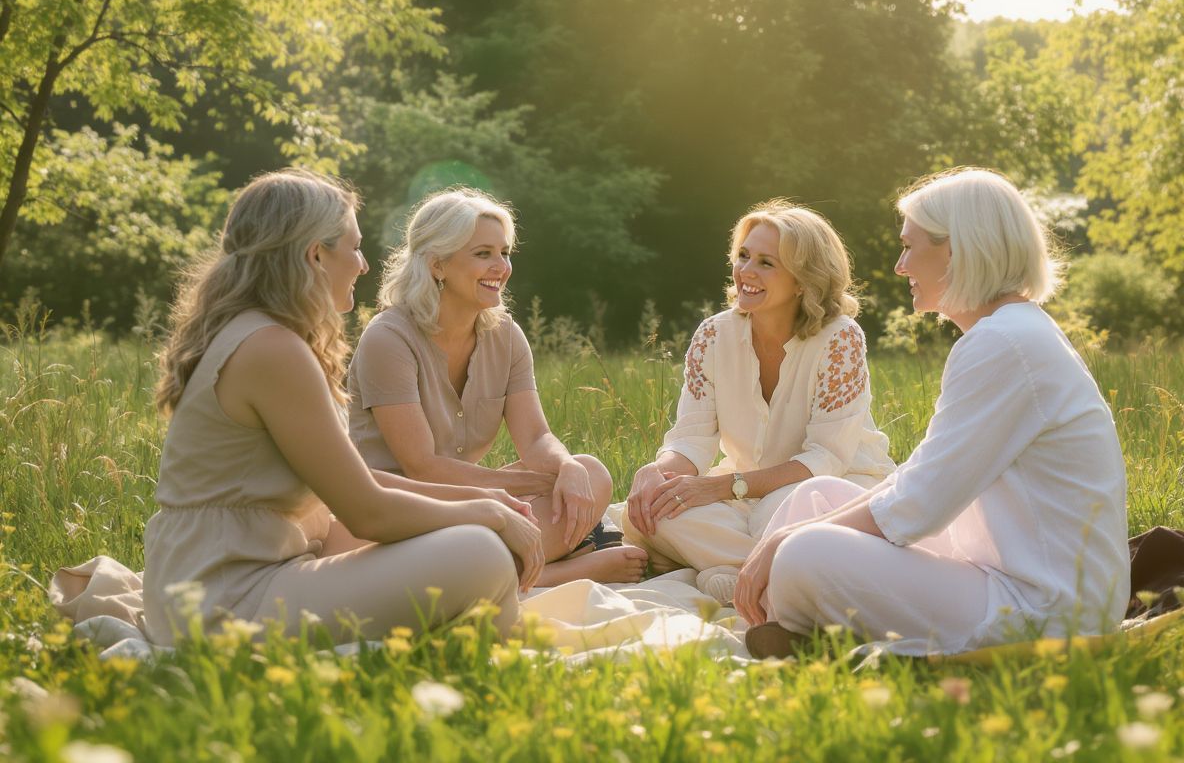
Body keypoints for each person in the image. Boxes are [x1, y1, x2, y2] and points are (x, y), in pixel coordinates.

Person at [736, 168, 1130, 657]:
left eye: (909, 246)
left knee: (801, 552)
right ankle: (797, 623)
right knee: (812, 496)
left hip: (1045, 607)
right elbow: (927, 475)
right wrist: (804, 526)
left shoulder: (1005, 343)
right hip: (997, 564)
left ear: (957, 249)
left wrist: (788, 542)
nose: (901, 266)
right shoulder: (1007, 333)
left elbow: (918, 505)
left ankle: (798, 627)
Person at [143, 169, 542, 644]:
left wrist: (485, 500)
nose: (363, 264)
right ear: (315, 254)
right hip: (221, 600)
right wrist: (489, 516)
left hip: (235, 578)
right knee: (481, 553)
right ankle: (483, 665)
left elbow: (355, 478)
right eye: (353, 247)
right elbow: (367, 512)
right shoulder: (272, 349)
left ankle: (473, 653)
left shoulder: (263, 336)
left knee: (476, 540)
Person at [348, 188, 649, 586]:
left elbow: (537, 437)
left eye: (504, 253)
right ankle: (552, 574)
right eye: (483, 254)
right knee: (495, 524)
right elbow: (422, 467)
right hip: (399, 510)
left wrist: (565, 467)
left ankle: (511, 565)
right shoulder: (388, 339)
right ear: (438, 264)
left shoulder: (505, 335)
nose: (501, 267)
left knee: (592, 473)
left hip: (471, 504)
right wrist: (529, 485)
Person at [620, 200, 895, 602]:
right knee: (645, 513)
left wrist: (724, 489)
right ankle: (766, 574)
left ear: (803, 279)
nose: (746, 272)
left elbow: (825, 458)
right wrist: (656, 472)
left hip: (827, 487)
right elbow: (692, 440)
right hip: (743, 493)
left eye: (767, 263)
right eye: (743, 256)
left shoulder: (840, 338)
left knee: (783, 509)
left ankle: (730, 569)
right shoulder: (713, 335)